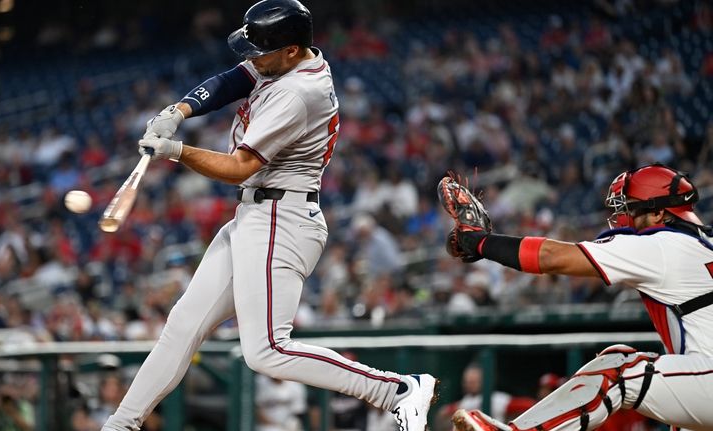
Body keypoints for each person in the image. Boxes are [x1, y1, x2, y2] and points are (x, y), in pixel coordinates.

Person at [101, 1, 437, 430]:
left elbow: (239, 167)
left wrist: (176, 151)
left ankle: (396, 391)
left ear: (293, 50)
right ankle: (120, 425)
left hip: (282, 214)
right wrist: (180, 111)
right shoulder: (291, 60)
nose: (252, 57)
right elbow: (235, 79)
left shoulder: (298, 93)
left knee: (267, 350)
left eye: (261, 50)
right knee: (183, 325)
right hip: (260, 213)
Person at [443, 163, 713, 431]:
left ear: (657, 213)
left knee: (618, 370)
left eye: (630, 208)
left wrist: (480, 242)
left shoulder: (661, 244)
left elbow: (551, 257)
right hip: (702, 378)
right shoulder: (701, 244)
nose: (623, 217)